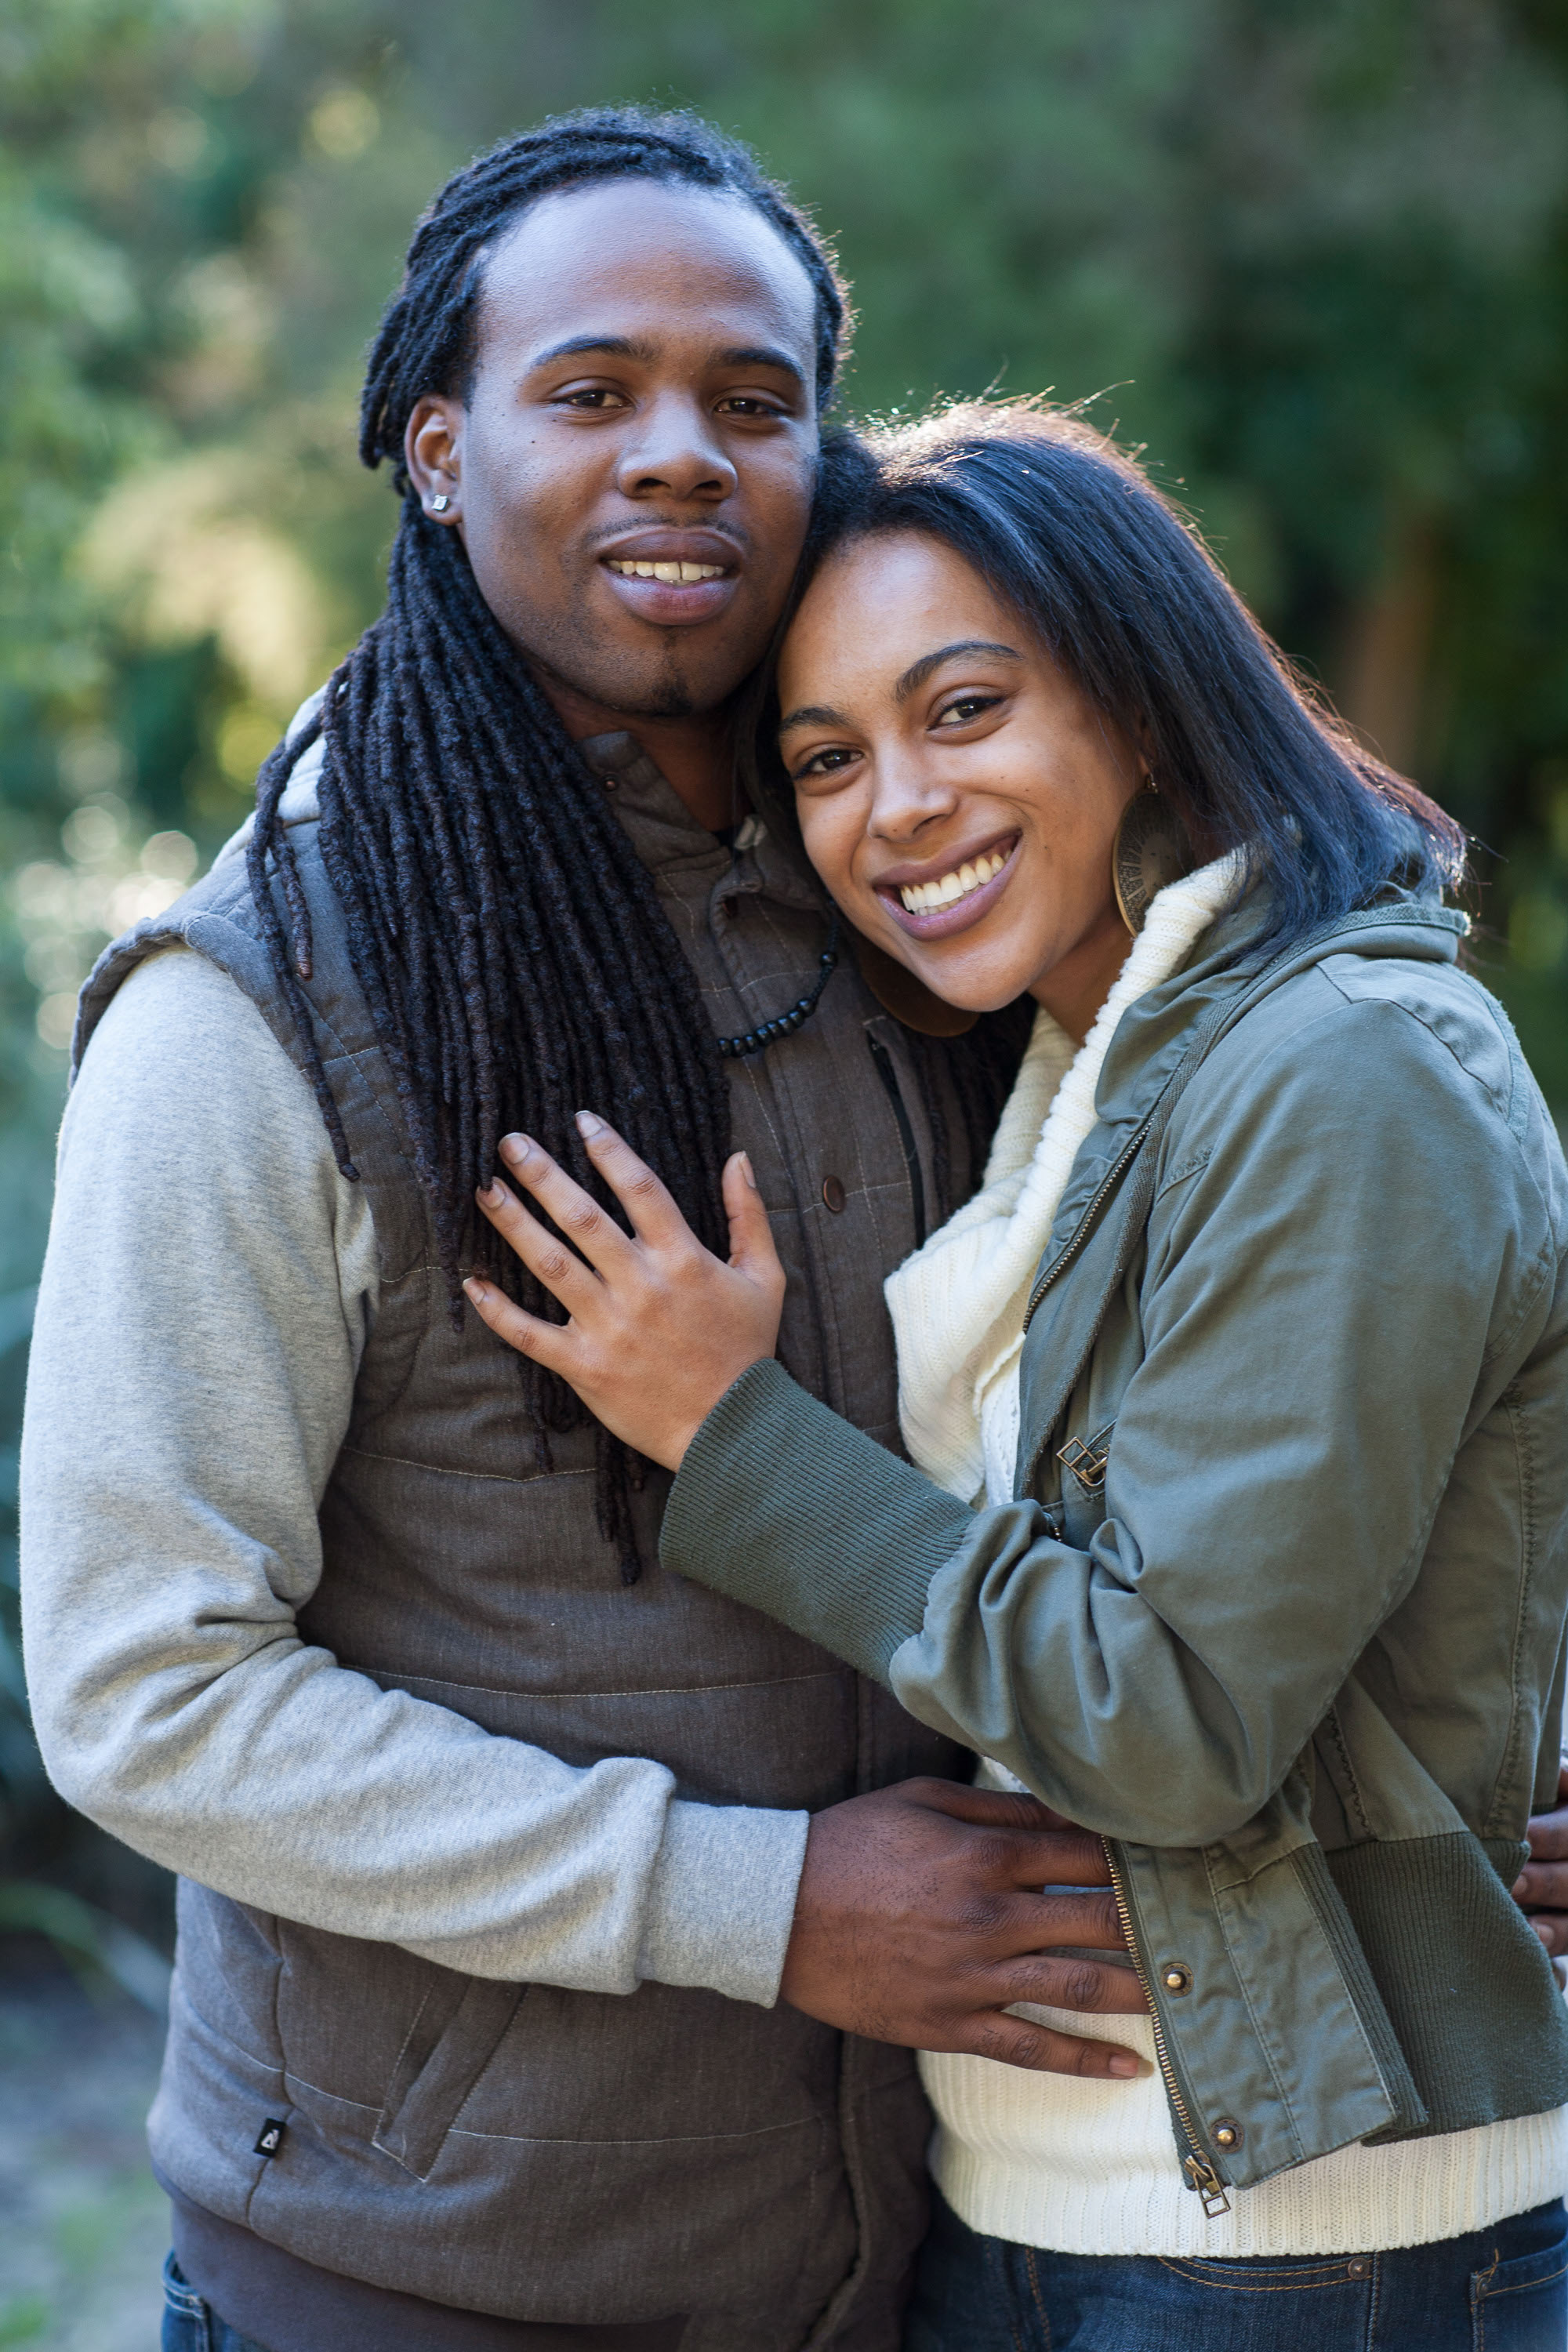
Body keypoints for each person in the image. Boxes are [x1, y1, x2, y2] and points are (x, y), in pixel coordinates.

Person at [19, 125, 1149, 2352]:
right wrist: (765, 1905)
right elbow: (144, 1691)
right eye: (590, 391)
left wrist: (1440, 1784)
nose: (684, 458)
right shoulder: (264, 1005)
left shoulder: (924, 906)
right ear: (438, 451)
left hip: (937, 2261)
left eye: (753, 401)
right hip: (417, 2283)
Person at [461, 402, 1568, 2350]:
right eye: (825, 759)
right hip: (1038, 2206)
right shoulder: (1076, 1078)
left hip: (1311, 2241)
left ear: (1138, 704)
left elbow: (1174, 1716)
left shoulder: (1343, 1067)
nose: (892, 804)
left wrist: (738, 1444)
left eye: (962, 710)